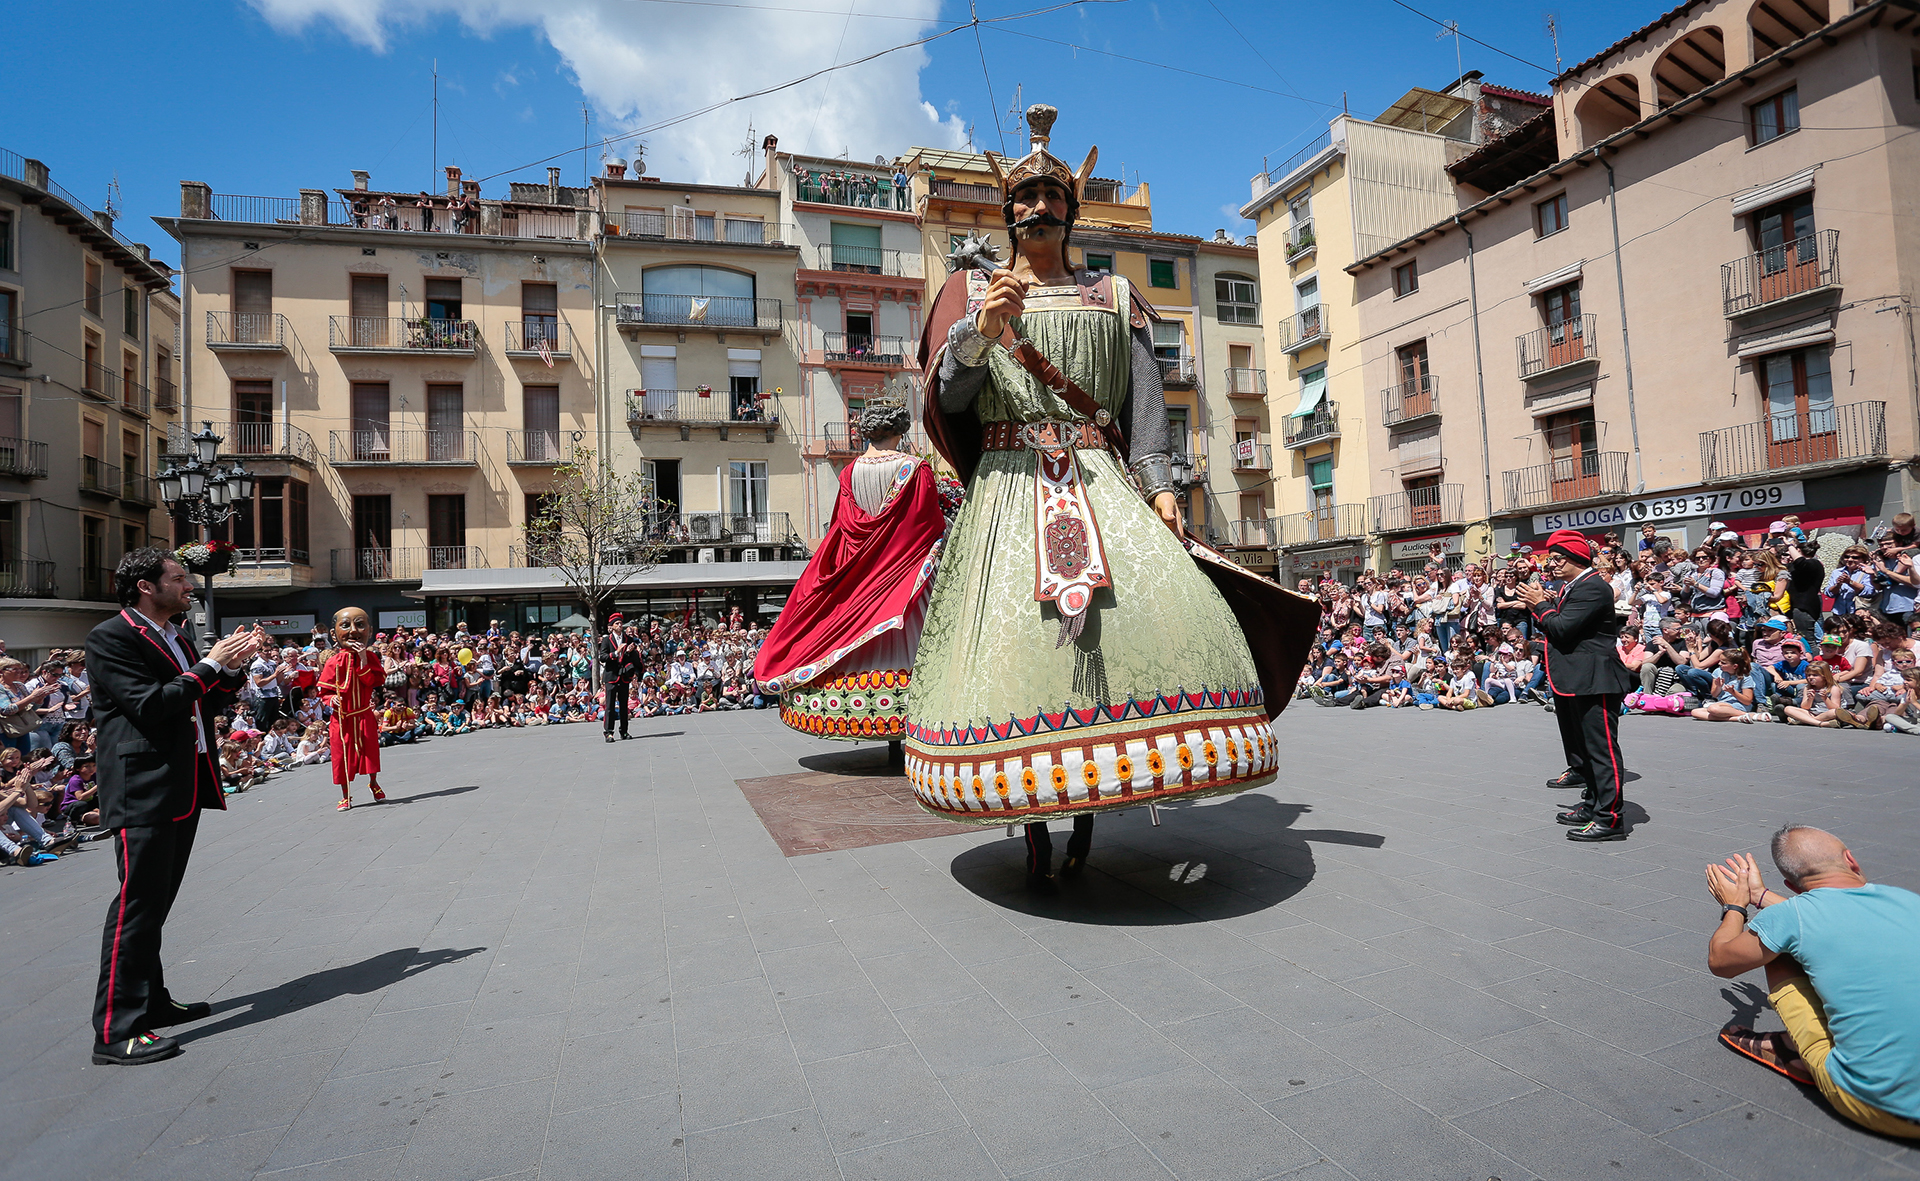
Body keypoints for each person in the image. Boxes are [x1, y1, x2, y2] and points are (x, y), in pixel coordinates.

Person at [912, 104, 1316, 891]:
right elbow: (951, 400)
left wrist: (1162, 492)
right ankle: (1030, 821)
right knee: (1021, 657)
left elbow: (1145, 408)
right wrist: (977, 336)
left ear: (1071, 210)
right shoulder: (979, 299)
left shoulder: (1114, 295)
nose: (1036, 209)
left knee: (1111, 645)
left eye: (1050, 199)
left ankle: (1089, 813)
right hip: (1008, 490)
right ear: (1007, 211)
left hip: (1097, 479)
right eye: (1023, 198)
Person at [84, 547, 262, 1065]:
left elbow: (200, 700)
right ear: (146, 586)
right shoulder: (110, 637)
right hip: (143, 787)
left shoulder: (176, 634)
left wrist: (230, 670)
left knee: (155, 905)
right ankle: (116, 1030)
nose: (189, 586)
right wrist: (210, 665)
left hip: (182, 784)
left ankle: (151, 1003)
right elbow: (148, 705)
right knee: (136, 907)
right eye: (179, 578)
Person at [1705, 827, 1920, 1138]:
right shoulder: (1906, 901)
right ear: (1851, 860)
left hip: (1885, 1108)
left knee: (1775, 950)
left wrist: (1735, 907)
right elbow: (1824, 917)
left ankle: (1795, 1050)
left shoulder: (1792, 917)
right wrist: (1760, 897)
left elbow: (1720, 961)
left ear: (1792, 885)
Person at [1518, 530, 1637, 842]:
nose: (1552, 565)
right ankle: (1592, 804)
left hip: (1594, 680)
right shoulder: (1576, 586)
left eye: (1558, 559)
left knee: (1602, 751)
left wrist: (1540, 605)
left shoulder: (1593, 587)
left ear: (1576, 559)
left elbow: (1562, 627)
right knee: (1584, 750)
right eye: (1551, 559)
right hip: (1576, 680)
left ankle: (1610, 819)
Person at [317, 607, 386, 810]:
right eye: (346, 625)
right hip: (342, 719)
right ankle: (346, 795)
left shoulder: (372, 658)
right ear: (333, 633)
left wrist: (363, 658)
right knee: (341, 758)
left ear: (370, 631)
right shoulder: (333, 661)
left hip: (363, 714)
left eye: (360, 624)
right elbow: (323, 692)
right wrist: (331, 701)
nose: (353, 631)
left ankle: (373, 783)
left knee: (371, 753)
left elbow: (372, 682)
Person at [601, 616, 642, 743]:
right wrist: (616, 653)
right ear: (612, 626)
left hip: (624, 676)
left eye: (621, 623)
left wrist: (630, 651)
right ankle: (608, 732)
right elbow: (602, 657)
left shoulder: (628, 639)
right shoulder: (607, 640)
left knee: (624, 705)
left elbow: (631, 658)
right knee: (610, 705)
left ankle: (624, 731)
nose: (620, 625)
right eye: (617, 623)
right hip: (611, 676)